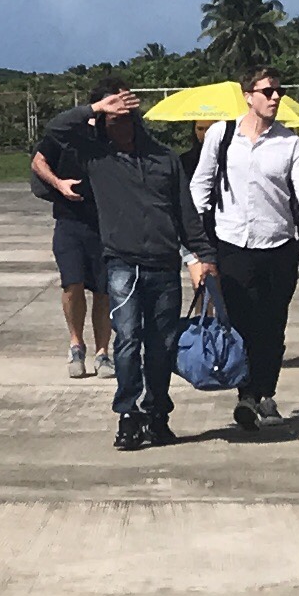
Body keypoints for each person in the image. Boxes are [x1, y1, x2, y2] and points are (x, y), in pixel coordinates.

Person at [189, 68, 299, 435]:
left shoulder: (290, 144)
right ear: (247, 95)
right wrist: (194, 248)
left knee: (272, 325)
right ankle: (247, 395)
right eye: (268, 91)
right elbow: (200, 188)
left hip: (278, 246)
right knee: (239, 323)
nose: (275, 97)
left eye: (279, 92)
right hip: (231, 245)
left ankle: (263, 393)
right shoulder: (221, 137)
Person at [82, 84, 210, 452]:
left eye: (128, 115)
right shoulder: (96, 158)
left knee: (162, 345)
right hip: (123, 263)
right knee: (127, 341)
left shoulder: (164, 158)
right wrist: (95, 106)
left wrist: (202, 257)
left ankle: (157, 414)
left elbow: (186, 213)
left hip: (164, 264)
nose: (123, 123)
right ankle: (127, 414)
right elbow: (57, 132)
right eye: (114, 117)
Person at [31, 87, 115, 378]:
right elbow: (38, 161)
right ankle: (76, 344)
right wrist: (58, 184)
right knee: (72, 283)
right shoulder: (68, 130)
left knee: (104, 290)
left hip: (106, 223)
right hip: (70, 221)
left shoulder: (116, 134)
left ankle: (103, 352)